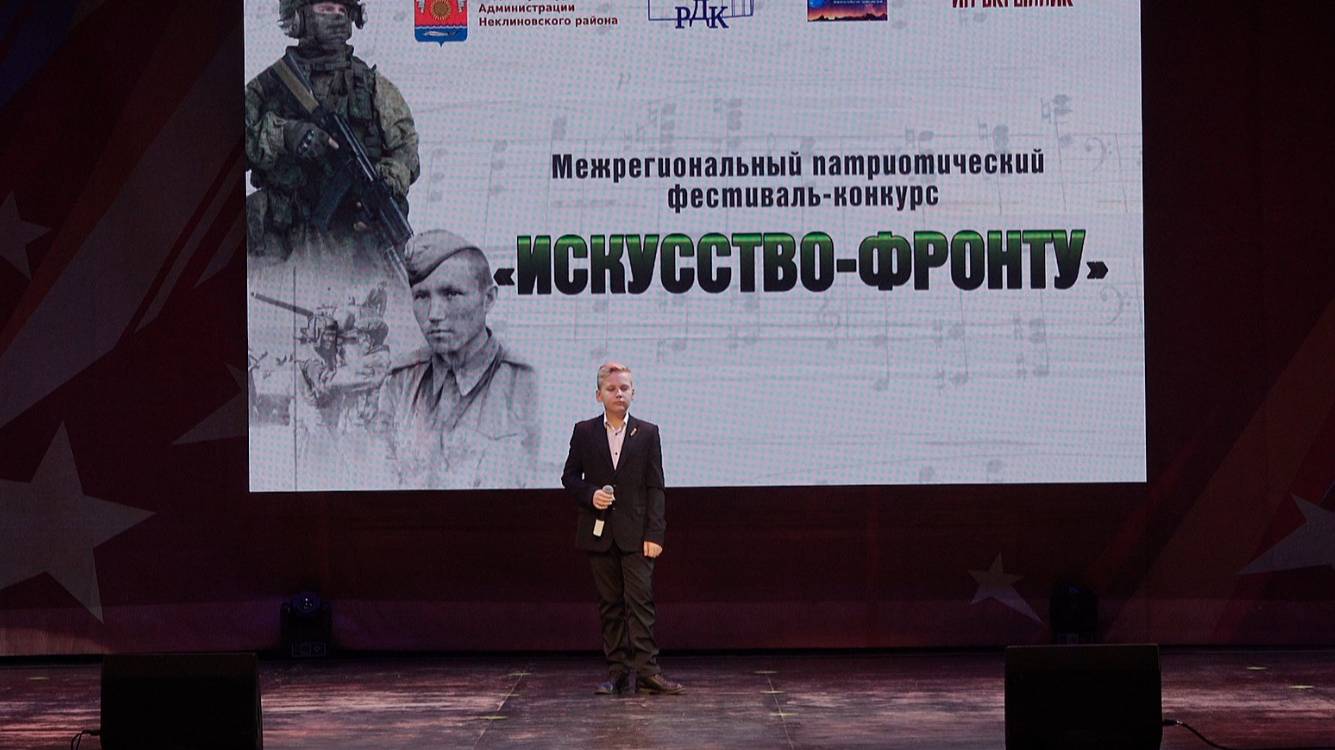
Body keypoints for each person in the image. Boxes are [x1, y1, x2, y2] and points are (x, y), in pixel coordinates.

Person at [245, 0, 420, 266]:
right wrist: (285, 134)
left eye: (343, 11)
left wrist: (385, 183)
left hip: (356, 244)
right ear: (299, 16)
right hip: (280, 241)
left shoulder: (373, 87)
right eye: (326, 9)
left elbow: (407, 152)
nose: (337, 17)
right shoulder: (268, 86)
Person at [374, 230, 538, 489]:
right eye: (422, 296)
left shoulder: (525, 384)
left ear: (488, 299)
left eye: (450, 294)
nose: (434, 314)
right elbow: (378, 479)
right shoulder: (400, 381)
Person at [562, 362, 684, 695]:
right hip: (599, 532)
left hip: (637, 534)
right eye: (612, 389)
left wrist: (655, 534)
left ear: (633, 392)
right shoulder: (584, 432)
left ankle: (647, 672)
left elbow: (655, 487)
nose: (619, 394)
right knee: (610, 604)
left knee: (640, 602)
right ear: (598, 395)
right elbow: (569, 477)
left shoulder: (647, 433)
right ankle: (617, 672)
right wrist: (590, 494)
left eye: (625, 388)